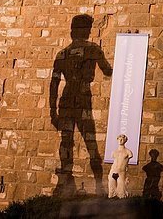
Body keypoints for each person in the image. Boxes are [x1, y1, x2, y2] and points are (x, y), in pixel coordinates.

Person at [50, 14, 112, 196]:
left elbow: (53, 84)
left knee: (66, 141)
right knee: (90, 141)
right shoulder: (93, 50)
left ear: (72, 31)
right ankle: (99, 186)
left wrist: (52, 111)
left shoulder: (62, 54)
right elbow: (107, 71)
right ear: (87, 31)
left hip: (66, 100)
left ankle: (64, 183)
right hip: (83, 98)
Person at [108, 134, 133, 198]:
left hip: (121, 171)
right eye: (119, 139)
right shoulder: (114, 152)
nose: (120, 140)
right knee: (111, 189)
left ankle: (121, 202)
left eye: (122, 139)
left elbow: (129, 156)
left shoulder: (128, 152)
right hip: (113, 170)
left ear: (125, 140)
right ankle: (111, 201)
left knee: (121, 191)